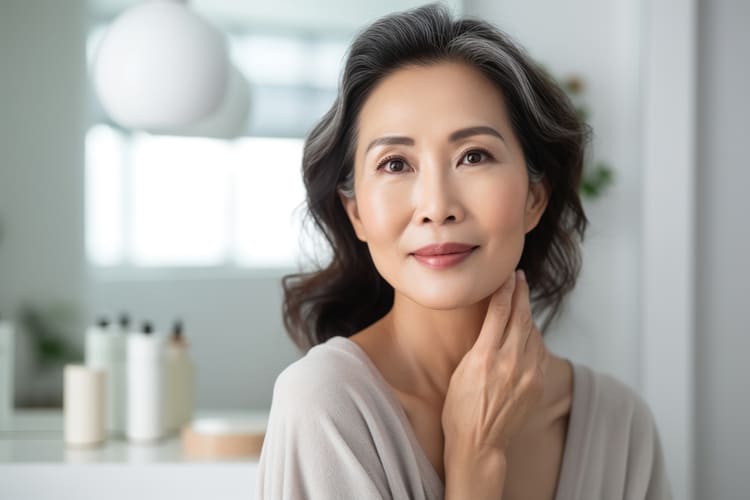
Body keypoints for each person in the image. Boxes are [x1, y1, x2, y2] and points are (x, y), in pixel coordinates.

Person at [257, 3, 672, 499]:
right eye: (394, 164)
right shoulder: (324, 406)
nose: (436, 206)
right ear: (357, 214)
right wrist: (476, 463)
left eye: (473, 156)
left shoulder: (621, 425)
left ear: (534, 198)